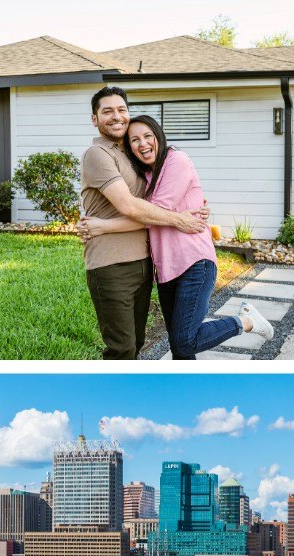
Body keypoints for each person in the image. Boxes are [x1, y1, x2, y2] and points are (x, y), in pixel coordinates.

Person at [79, 115, 273, 359]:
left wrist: (103, 226)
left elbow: (152, 213)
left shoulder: (176, 160)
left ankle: (245, 321)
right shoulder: (146, 174)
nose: (142, 144)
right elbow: (145, 209)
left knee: (184, 342)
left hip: (194, 263)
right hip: (166, 269)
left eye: (148, 136)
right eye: (134, 140)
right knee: (181, 346)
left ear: (159, 136)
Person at [79, 86, 209, 360]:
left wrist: (193, 207)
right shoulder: (97, 154)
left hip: (145, 263)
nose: (116, 116)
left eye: (121, 110)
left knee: (137, 342)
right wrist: (179, 220)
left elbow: (162, 197)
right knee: (122, 348)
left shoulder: (132, 155)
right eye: (107, 111)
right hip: (110, 263)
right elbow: (129, 205)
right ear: (95, 119)